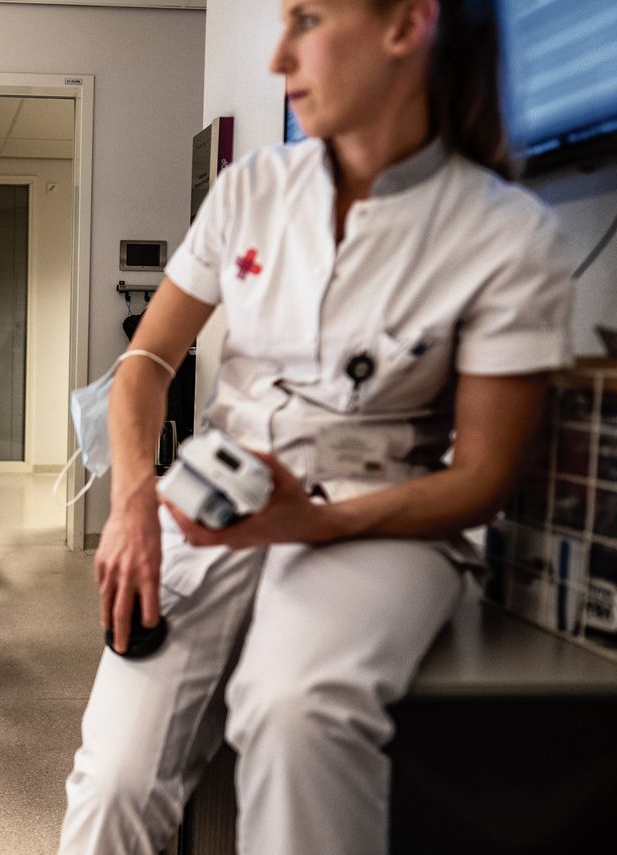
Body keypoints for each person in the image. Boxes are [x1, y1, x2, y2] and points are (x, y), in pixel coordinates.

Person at [59, 1, 574, 853]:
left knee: (292, 709)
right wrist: (132, 501)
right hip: (217, 490)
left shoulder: (508, 236)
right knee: (114, 777)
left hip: (384, 512)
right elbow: (145, 363)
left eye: (305, 19)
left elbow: (482, 476)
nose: (277, 59)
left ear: (407, 26)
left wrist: (319, 521)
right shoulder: (253, 188)